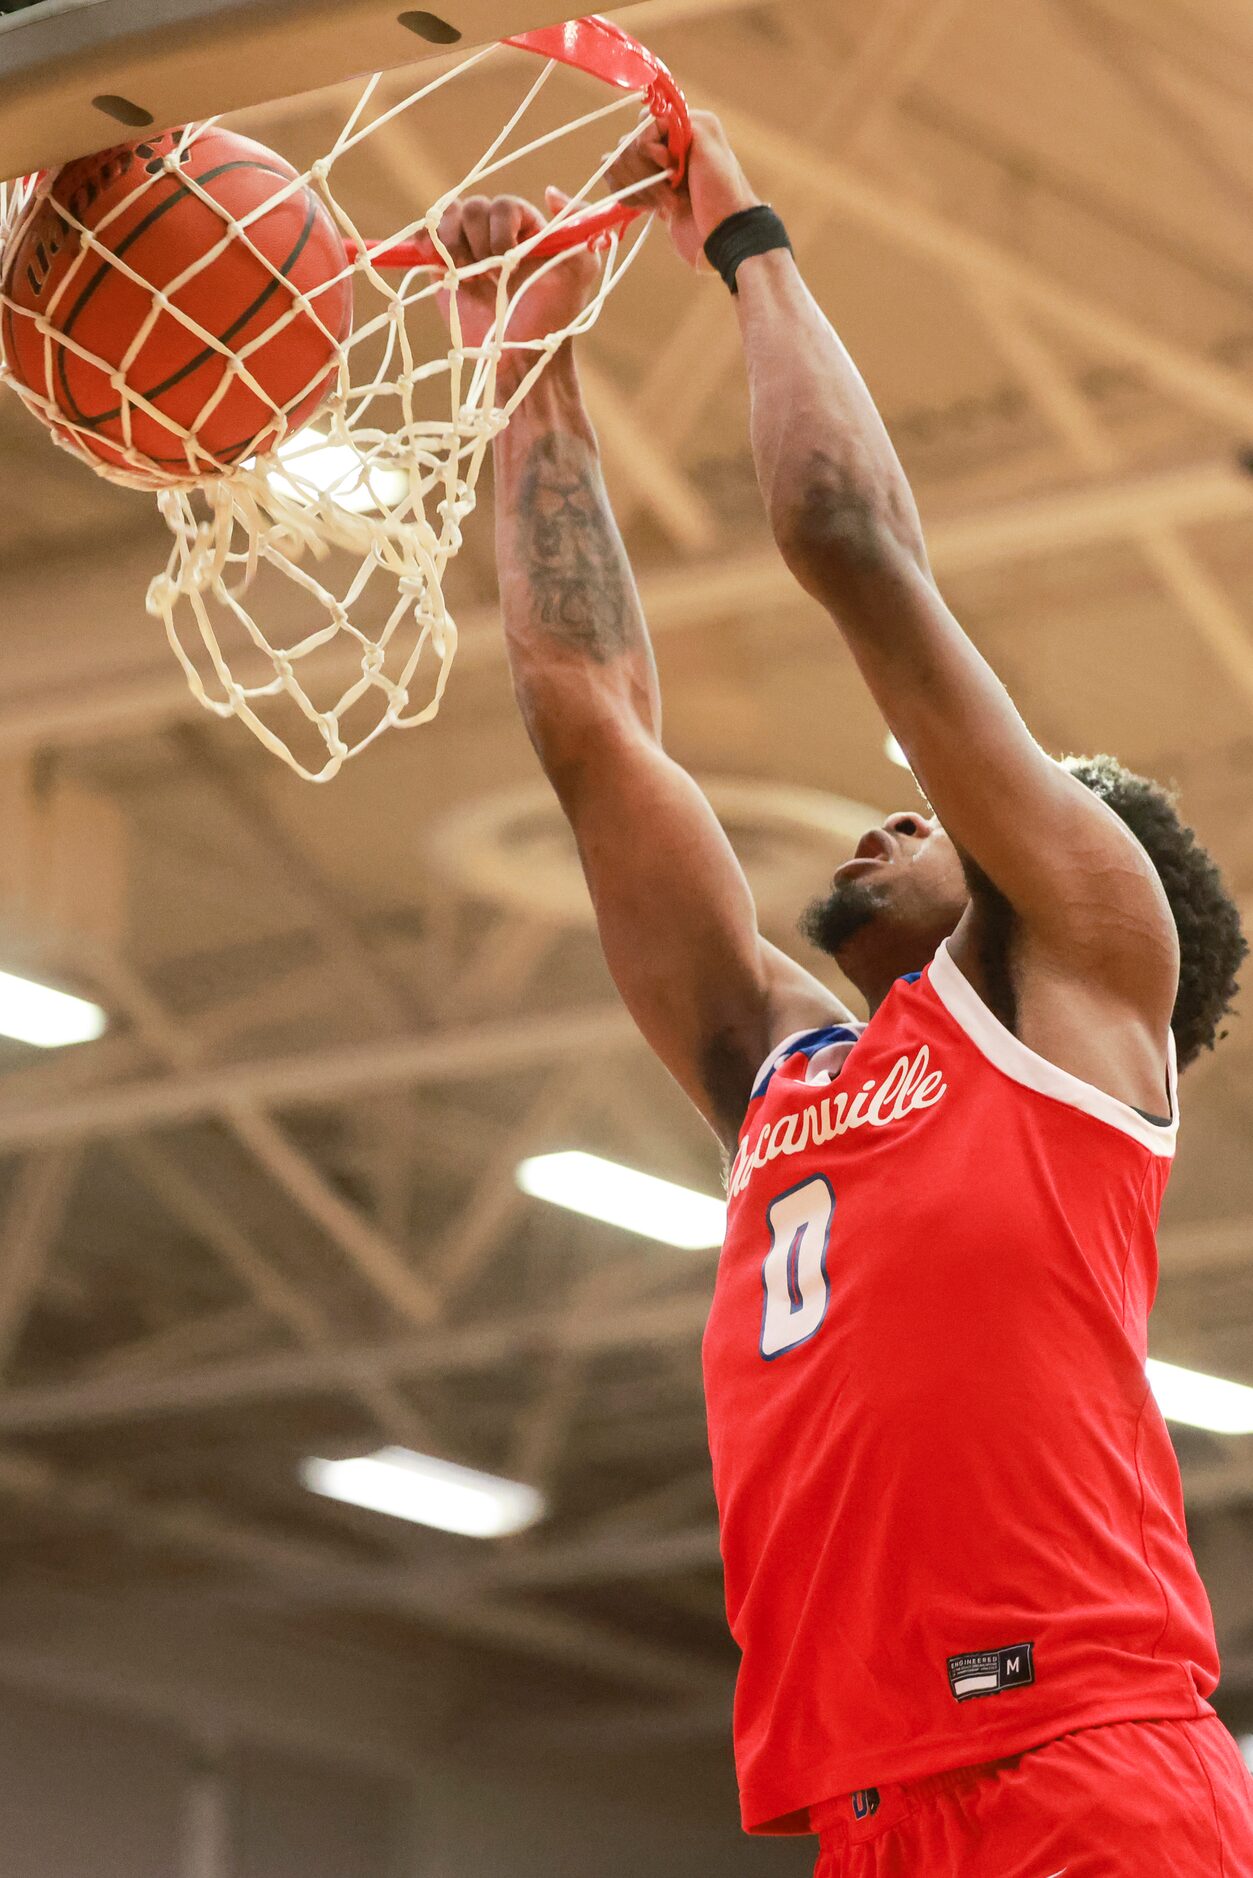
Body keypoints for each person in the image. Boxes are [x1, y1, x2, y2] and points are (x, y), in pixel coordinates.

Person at [435, 112, 1253, 1877]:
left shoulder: (1093, 981)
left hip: (1084, 1771)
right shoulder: (781, 1080)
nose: (899, 809)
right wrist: (527, 361)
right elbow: (590, 724)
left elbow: (844, 536)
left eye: (962, 813)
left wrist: (749, 247)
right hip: (866, 1807)